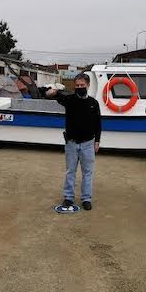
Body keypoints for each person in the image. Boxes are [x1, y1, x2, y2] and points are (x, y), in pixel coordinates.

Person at [46, 74, 101, 210]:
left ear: (88, 85)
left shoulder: (94, 103)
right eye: (77, 85)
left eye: (82, 85)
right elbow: (53, 95)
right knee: (70, 171)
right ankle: (68, 197)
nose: (80, 87)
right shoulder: (69, 100)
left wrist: (97, 141)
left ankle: (86, 198)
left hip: (88, 143)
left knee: (87, 172)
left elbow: (98, 123)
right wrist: (51, 92)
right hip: (71, 143)